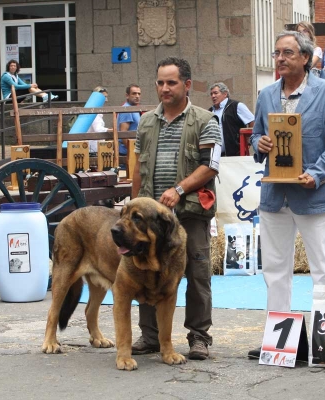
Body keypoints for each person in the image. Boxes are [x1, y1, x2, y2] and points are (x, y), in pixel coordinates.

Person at [247, 30, 325, 358]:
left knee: (323, 269)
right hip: (275, 197)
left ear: (305, 58)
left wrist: (316, 174)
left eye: (287, 53)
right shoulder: (265, 95)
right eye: (277, 53)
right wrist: (257, 144)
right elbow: (258, 138)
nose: (280, 59)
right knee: (275, 272)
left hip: (314, 196)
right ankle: (280, 345)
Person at [131, 57, 222, 361]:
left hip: (190, 215)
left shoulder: (206, 120)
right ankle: (150, 336)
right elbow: (138, 171)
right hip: (149, 220)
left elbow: (210, 166)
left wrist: (180, 189)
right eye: (160, 82)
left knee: (197, 274)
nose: (164, 88)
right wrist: (131, 210)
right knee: (145, 273)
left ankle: (199, 337)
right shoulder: (145, 122)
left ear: (186, 85)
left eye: (171, 82)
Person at [208, 82, 255, 156]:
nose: (213, 96)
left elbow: (252, 122)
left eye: (215, 93)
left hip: (234, 154)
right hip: (215, 156)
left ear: (225, 94)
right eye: (211, 94)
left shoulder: (236, 106)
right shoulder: (210, 111)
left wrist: (248, 142)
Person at [117, 84, 142, 156]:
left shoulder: (133, 108)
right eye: (134, 93)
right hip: (127, 153)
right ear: (127, 95)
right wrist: (132, 152)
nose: (137, 96)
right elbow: (123, 134)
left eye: (139, 94)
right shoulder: (127, 109)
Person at [87, 86, 112, 154]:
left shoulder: (93, 109)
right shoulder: (93, 111)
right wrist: (110, 130)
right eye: (104, 97)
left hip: (94, 147)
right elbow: (98, 129)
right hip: (93, 149)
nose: (106, 100)